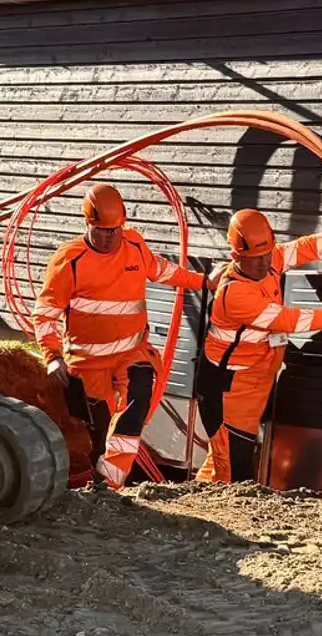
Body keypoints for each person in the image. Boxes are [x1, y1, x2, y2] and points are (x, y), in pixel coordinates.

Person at [34, 184, 204, 489]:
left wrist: (202, 282)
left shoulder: (135, 245)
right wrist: (52, 356)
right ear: (88, 223)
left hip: (133, 353)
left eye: (116, 229)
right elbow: (45, 313)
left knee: (136, 402)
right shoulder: (68, 262)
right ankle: (97, 491)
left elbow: (163, 271)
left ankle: (110, 483)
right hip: (86, 365)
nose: (111, 237)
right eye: (103, 230)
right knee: (98, 437)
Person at [196, 201, 322, 484]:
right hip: (228, 393)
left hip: (251, 384)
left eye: (268, 253)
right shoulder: (233, 294)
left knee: (224, 460)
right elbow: (287, 320)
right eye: (256, 258)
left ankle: (191, 506)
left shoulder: (268, 261)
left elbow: (309, 247)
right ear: (235, 256)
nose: (265, 263)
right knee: (234, 472)